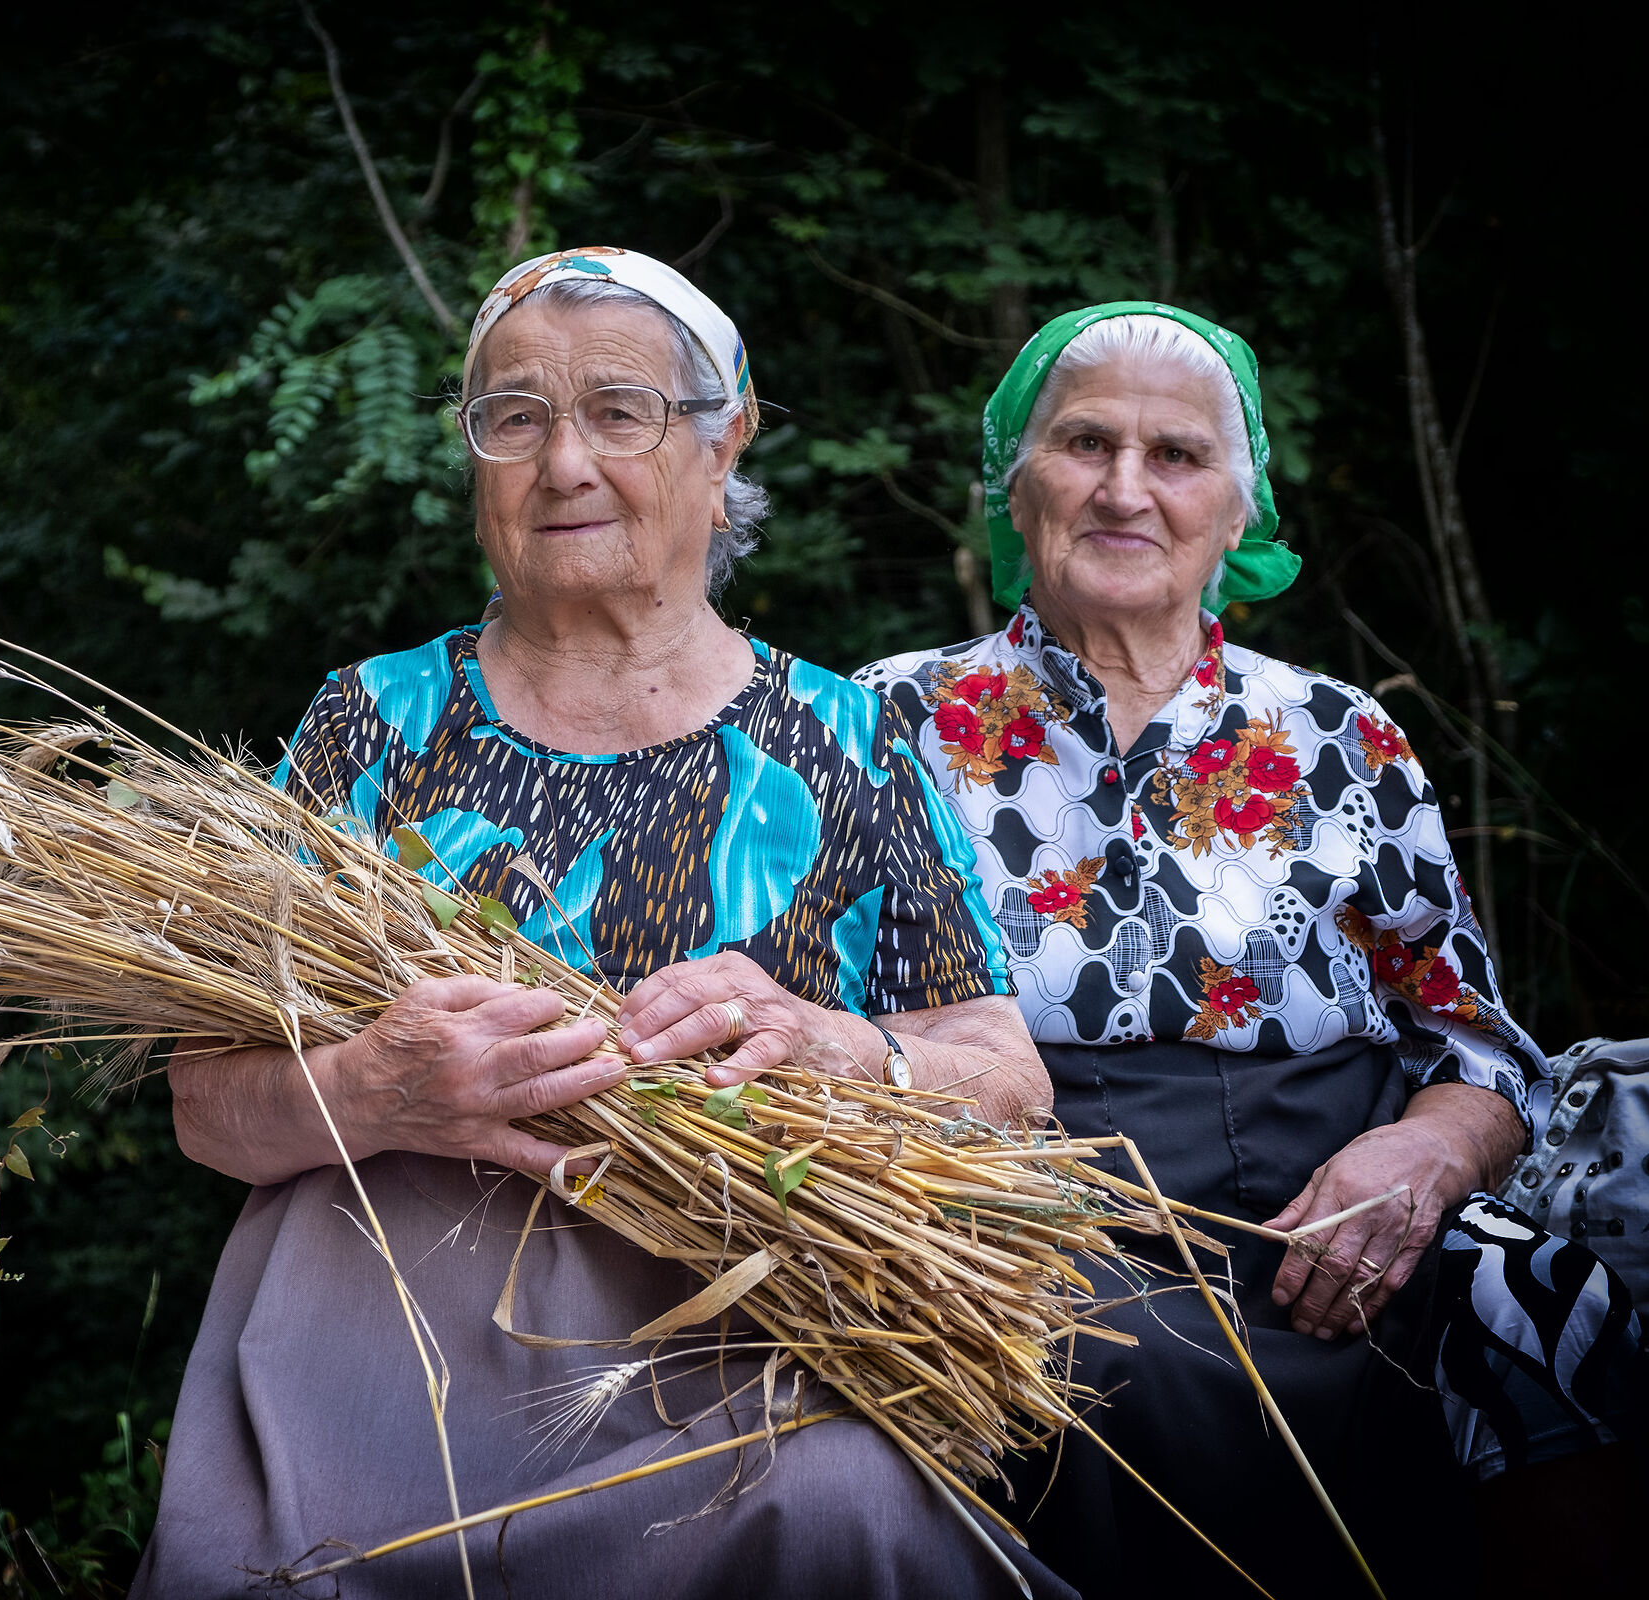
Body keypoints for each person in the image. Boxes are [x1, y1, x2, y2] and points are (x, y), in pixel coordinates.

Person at [134, 248, 1064, 1599]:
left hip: (731, 1340)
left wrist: (836, 1047)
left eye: (619, 411)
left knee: (848, 1506)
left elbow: (1012, 1083)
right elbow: (205, 1108)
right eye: (514, 419)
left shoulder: (848, 741)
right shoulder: (369, 724)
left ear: (720, 436)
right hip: (382, 1353)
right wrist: (376, 1086)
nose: (563, 462)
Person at [859, 303, 1649, 1597]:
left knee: (1548, 1303)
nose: (1127, 489)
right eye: (1084, 443)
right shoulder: (882, 723)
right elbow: (828, 1027)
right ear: (1013, 487)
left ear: (1243, 514)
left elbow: (1475, 1046)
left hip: (1333, 1210)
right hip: (1034, 1212)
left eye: (1177, 456)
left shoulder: (1340, 740)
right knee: (1099, 1357)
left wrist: (1422, 1152)